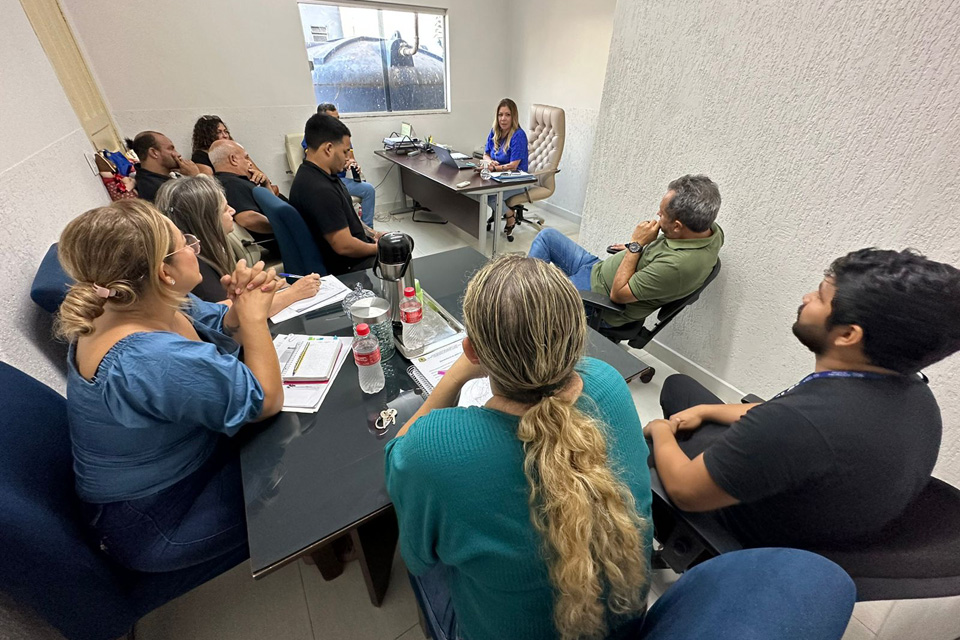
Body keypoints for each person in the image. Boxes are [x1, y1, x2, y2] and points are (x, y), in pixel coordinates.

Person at [385, 255, 653, 640]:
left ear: (474, 352)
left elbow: (399, 465)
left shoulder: (433, 449)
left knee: (421, 563)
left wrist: (456, 375)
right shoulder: (608, 382)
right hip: (626, 620)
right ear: (578, 338)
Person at [644, 248, 960, 548]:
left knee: (628, 436)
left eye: (820, 296)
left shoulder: (799, 424)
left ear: (848, 335)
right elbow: (784, 414)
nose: (806, 298)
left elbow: (686, 491)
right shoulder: (915, 393)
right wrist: (706, 410)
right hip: (805, 498)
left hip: (730, 526)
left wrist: (659, 430)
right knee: (679, 388)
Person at [56, 198, 284, 573]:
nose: (195, 250)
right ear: (164, 270)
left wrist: (244, 304)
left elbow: (221, 323)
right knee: (298, 475)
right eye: (187, 244)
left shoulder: (132, 301)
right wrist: (255, 320)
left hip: (179, 466)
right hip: (155, 517)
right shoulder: (145, 360)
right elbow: (268, 400)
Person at [528, 174, 723, 327]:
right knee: (548, 237)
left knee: (542, 300)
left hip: (600, 298)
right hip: (596, 269)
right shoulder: (710, 232)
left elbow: (618, 295)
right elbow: (660, 256)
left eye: (662, 214)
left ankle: (521, 309)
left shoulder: (678, 266)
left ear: (678, 226)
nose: (657, 215)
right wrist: (633, 249)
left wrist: (636, 245)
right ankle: (524, 295)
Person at [155, 175, 320, 310]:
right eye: (225, 209)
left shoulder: (207, 252)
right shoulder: (194, 266)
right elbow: (227, 313)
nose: (233, 211)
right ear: (208, 220)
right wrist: (293, 293)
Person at [289, 114, 381, 275]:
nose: (347, 158)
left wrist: (374, 234)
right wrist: (377, 249)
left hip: (353, 256)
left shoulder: (320, 175)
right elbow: (344, 246)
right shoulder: (318, 189)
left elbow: (347, 218)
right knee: (401, 252)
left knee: (397, 242)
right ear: (329, 148)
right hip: (349, 268)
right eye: (345, 152)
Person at [303, 103, 377, 227]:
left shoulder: (342, 137)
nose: (337, 122)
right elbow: (317, 163)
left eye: (338, 118)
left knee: (368, 189)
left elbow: (350, 159)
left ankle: (368, 229)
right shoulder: (313, 138)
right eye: (333, 119)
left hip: (340, 180)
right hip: (326, 180)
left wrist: (351, 163)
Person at [191, 115, 279, 195]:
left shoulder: (235, 150)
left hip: (255, 189)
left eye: (226, 131)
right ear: (207, 135)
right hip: (237, 192)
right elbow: (211, 186)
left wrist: (264, 181)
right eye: (219, 132)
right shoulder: (200, 156)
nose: (225, 135)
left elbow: (259, 173)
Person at [209, 139, 275, 244]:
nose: (250, 163)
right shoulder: (231, 184)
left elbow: (273, 206)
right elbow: (248, 219)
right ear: (233, 159)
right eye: (246, 158)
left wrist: (266, 185)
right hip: (285, 241)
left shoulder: (229, 181)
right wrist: (285, 226)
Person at [482, 98, 529, 242]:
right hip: (498, 177)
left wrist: (495, 167)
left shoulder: (518, 135)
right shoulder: (494, 132)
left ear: (513, 116)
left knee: (490, 196)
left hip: (517, 180)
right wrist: (490, 162)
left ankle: (510, 215)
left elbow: (514, 165)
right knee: (480, 193)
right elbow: (486, 153)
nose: (503, 119)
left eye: (507, 115)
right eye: (500, 114)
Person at [127, 131, 202, 201]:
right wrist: (196, 177)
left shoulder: (151, 179)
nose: (178, 154)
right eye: (171, 149)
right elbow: (204, 204)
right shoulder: (158, 189)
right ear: (154, 153)